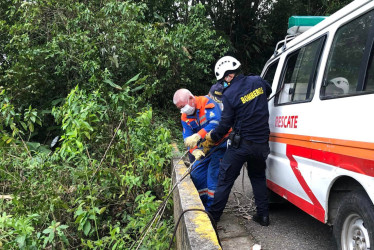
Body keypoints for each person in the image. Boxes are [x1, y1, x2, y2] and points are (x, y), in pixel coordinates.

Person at [203, 56, 272, 226]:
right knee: (258, 178)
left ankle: (213, 218)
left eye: (223, 80)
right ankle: (263, 216)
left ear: (228, 76)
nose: (223, 84)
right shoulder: (257, 80)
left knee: (224, 180)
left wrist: (212, 137)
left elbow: (225, 123)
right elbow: (268, 91)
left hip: (241, 146)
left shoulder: (230, 94)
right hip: (261, 144)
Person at [173, 88, 227, 210]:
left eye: (183, 106)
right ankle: (201, 205)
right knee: (196, 174)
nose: (182, 109)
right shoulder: (184, 116)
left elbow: (216, 123)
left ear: (191, 98)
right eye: (179, 108)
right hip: (204, 149)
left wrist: (198, 135)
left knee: (213, 177)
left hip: (219, 145)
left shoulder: (207, 103)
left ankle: (212, 210)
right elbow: (187, 137)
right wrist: (194, 150)